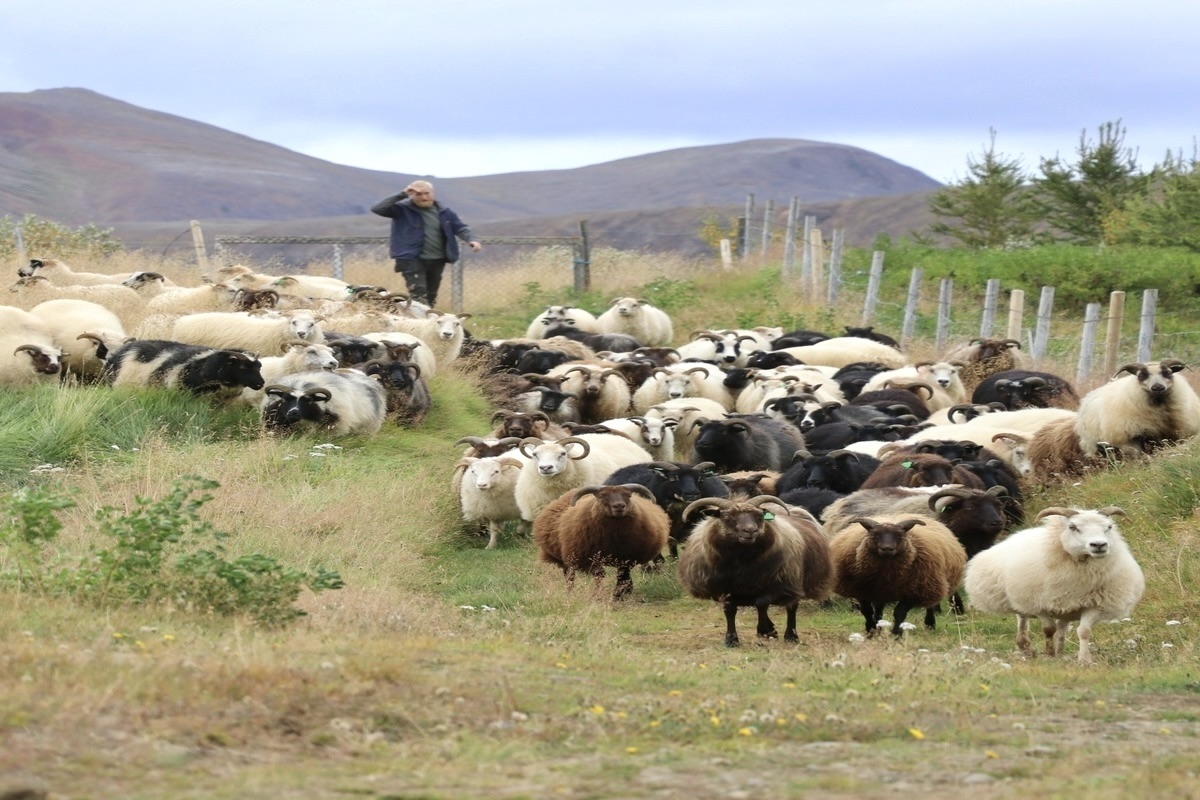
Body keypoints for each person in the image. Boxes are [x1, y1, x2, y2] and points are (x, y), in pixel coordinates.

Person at [371, 180, 482, 307]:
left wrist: (472, 239)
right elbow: (377, 208)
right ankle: (420, 319)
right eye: (418, 194)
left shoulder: (444, 212)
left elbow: (461, 228)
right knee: (419, 294)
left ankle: (428, 317)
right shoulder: (402, 210)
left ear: (432, 193)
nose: (424, 197)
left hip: (437, 259)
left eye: (427, 193)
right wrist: (403, 194)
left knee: (431, 296)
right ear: (411, 194)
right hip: (410, 258)